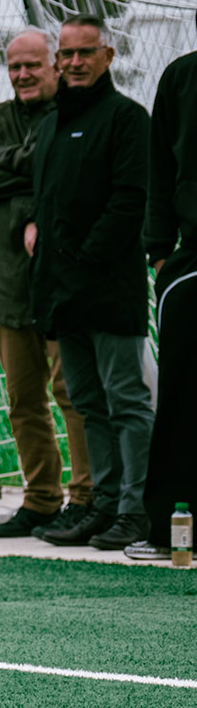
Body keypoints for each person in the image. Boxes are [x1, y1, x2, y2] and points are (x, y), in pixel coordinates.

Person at [28, 16, 154, 550]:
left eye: (86, 53)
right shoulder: (52, 123)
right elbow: (47, 206)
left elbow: (128, 203)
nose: (75, 62)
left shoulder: (128, 119)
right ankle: (103, 506)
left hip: (108, 292)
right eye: (67, 54)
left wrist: (82, 263)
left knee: (126, 399)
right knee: (85, 402)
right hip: (62, 294)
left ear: (107, 56)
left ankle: (137, 509)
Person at [0, 30, 92, 538]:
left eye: (32, 65)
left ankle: (87, 497)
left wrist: (21, 166)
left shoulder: (76, 112)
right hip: (11, 288)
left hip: (63, 284)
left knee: (74, 395)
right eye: (14, 66)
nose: (22, 74)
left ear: (55, 65)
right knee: (22, 400)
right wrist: (37, 163)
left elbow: (69, 180)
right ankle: (41, 499)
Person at [139, 41, 197, 560]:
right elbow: (159, 167)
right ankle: (170, 526)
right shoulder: (180, 78)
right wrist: (160, 254)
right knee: (180, 399)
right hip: (192, 266)